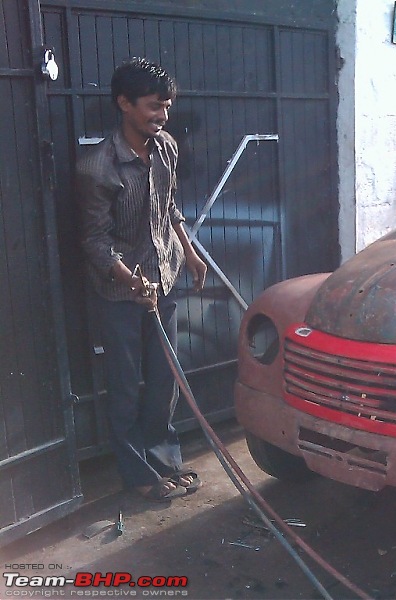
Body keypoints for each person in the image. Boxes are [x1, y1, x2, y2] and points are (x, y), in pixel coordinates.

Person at [76, 57, 208, 502]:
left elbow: (168, 206)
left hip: (164, 281)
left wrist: (189, 253)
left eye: (167, 107)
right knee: (127, 387)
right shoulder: (98, 169)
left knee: (165, 379)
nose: (162, 117)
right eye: (154, 107)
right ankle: (139, 476)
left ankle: (166, 462)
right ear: (124, 104)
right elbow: (95, 243)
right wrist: (131, 281)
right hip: (120, 295)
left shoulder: (167, 146)